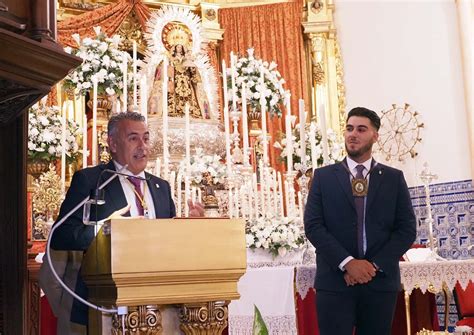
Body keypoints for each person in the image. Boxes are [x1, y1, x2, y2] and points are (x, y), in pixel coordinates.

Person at [40, 111, 204, 332]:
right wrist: (106, 228)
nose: (142, 146)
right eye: (133, 138)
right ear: (113, 144)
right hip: (104, 305)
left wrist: (191, 228)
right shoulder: (92, 180)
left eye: (146, 138)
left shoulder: (161, 187)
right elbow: (62, 236)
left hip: (158, 305)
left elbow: (169, 243)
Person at [304, 107, 416, 335]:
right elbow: (314, 226)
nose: (353, 134)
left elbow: (406, 229)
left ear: (375, 136)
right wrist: (348, 263)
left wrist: (371, 266)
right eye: (349, 128)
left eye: (361, 129)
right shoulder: (323, 177)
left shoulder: (393, 178)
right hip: (335, 282)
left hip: (379, 282)